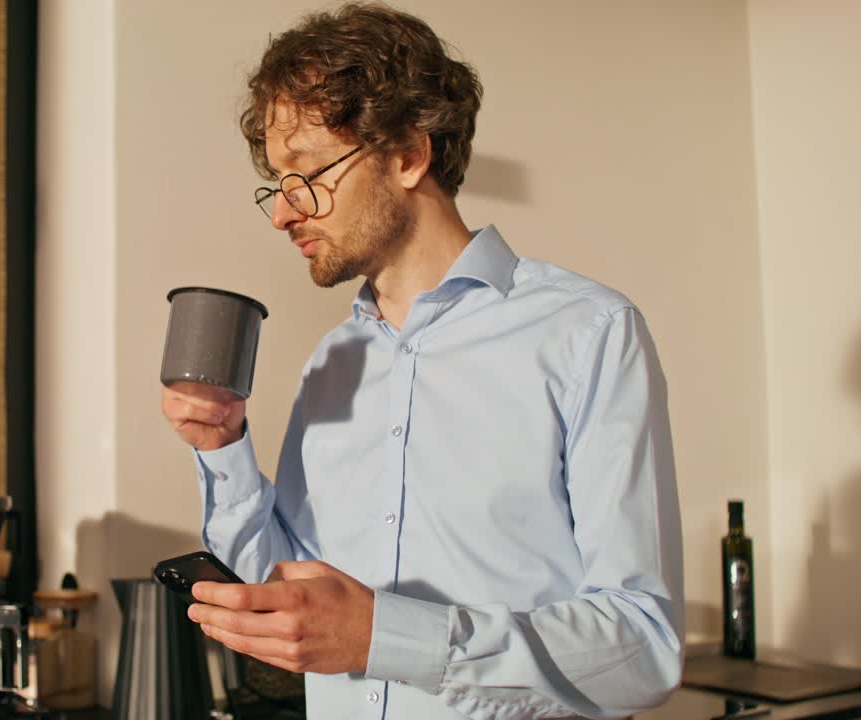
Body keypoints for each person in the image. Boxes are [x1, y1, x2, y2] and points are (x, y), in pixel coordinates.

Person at [159, 3, 684, 719]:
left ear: (408, 152)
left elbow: (643, 646)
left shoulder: (588, 334)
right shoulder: (333, 362)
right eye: (277, 186)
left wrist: (389, 636)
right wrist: (222, 448)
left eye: (307, 174)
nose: (284, 214)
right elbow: (297, 596)